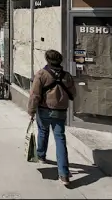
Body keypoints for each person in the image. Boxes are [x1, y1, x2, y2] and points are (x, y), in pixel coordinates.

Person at [27, 49, 77, 186]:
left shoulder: (41, 74)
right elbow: (73, 93)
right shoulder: (67, 76)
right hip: (60, 111)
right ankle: (64, 174)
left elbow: (35, 95)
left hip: (44, 109)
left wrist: (31, 110)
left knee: (43, 131)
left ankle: (41, 155)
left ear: (48, 60)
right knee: (60, 139)